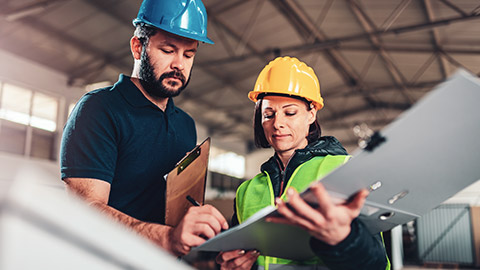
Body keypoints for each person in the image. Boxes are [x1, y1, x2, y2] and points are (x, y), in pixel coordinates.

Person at [60, 0, 228, 257]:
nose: (179, 65)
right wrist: (168, 238)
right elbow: (85, 210)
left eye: (189, 54)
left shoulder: (185, 124)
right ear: (138, 47)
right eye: (168, 50)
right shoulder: (100, 109)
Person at [216, 56, 390, 269]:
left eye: (290, 112)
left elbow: (377, 263)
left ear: (311, 114)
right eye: (268, 114)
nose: (277, 123)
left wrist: (345, 239)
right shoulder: (247, 191)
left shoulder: (342, 169)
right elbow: (244, 254)